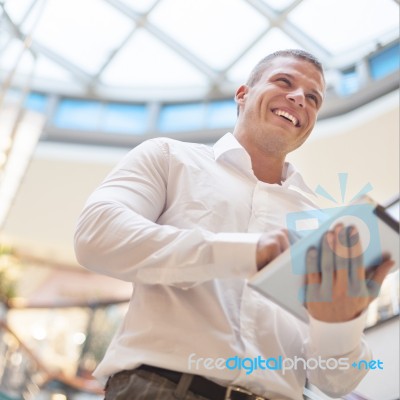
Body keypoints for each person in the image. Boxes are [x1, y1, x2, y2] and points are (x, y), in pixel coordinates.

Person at [74, 49, 393, 400]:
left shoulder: (319, 226)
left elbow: (335, 383)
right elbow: (97, 233)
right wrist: (250, 253)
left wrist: (339, 326)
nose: (300, 97)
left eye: (313, 98)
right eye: (284, 81)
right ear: (243, 95)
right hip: (160, 389)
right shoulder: (169, 157)